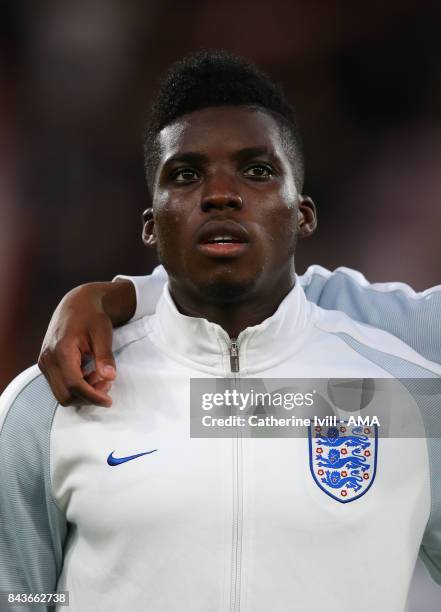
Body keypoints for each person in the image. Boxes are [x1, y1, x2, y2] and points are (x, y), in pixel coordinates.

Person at [1, 50, 441, 612]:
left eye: (257, 170)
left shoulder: (414, 398)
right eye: (186, 175)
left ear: (303, 214)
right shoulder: (48, 404)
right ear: (149, 224)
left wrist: (126, 293)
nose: (221, 193)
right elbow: (16, 594)